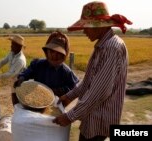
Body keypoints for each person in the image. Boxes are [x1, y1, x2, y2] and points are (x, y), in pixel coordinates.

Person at [52, 1, 132, 141]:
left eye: (86, 27)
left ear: (99, 26)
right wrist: (69, 96)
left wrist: (70, 116)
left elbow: (99, 91)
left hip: (99, 118)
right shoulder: (103, 46)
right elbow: (89, 81)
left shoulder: (111, 47)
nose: (84, 31)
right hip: (93, 116)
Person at [13, 31, 79, 105]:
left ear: (64, 55)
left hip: (55, 104)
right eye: (51, 52)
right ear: (46, 52)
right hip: (36, 100)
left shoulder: (66, 72)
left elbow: (74, 88)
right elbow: (28, 72)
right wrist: (22, 77)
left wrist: (57, 91)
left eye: (59, 53)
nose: (54, 56)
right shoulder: (38, 64)